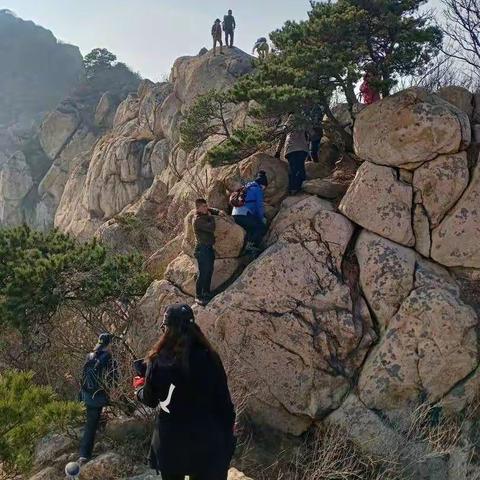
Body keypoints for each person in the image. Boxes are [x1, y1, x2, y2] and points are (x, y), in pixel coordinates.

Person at [134, 304, 236, 480]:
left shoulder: (157, 360)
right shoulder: (210, 357)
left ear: (166, 329)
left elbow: (150, 400)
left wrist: (138, 389)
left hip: (170, 443)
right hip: (207, 443)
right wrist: (227, 436)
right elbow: (224, 403)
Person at [78, 333, 118, 464]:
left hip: (88, 394)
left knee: (92, 422)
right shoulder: (109, 358)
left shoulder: (89, 356)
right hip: (99, 396)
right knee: (92, 424)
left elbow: (82, 377)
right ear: (109, 344)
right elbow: (114, 379)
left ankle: (86, 452)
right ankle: (84, 455)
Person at [193, 199, 223, 306]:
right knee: (203, 273)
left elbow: (210, 209)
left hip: (208, 248)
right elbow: (211, 228)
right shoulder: (198, 220)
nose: (206, 208)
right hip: (202, 249)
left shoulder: (205, 212)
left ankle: (206, 292)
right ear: (198, 208)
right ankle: (198, 295)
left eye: (206, 206)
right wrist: (211, 217)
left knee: (209, 270)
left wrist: (217, 212)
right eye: (204, 206)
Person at [232, 171, 268, 253]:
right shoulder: (257, 189)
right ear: (262, 185)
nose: (264, 190)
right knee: (260, 227)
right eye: (264, 187)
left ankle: (249, 250)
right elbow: (259, 207)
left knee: (250, 229)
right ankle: (250, 246)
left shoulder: (246, 187)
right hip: (244, 213)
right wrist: (262, 218)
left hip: (235, 213)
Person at [284, 116, 310, 194]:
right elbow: (311, 132)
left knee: (293, 169)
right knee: (301, 166)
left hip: (290, 149)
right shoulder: (303, 121)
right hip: (302, 148)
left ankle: (293, 188)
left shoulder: (287, 123)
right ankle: (303, 186)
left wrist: (278, 152)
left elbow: (283, 137)